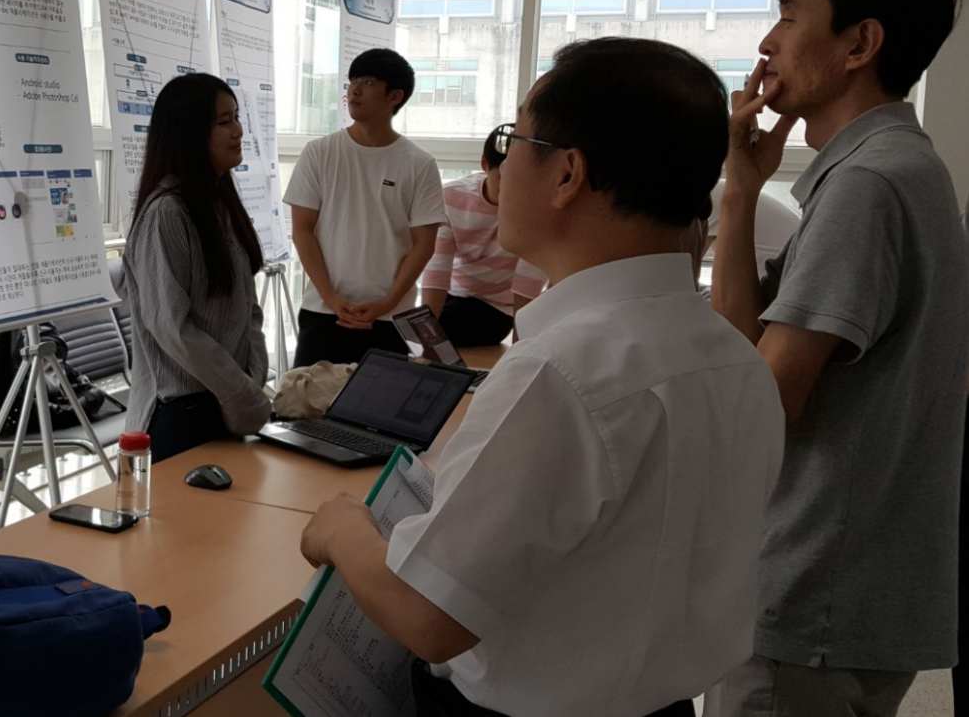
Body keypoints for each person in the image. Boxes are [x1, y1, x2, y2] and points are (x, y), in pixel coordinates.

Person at [300, 37, 785, 717]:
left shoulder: (559, 374)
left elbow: (429, 616)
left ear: (567, 174)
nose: (500, 166)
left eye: (515, 139)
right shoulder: (735, 358)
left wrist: (341, 530)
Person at [707, 0, 969, 717]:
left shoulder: (867, 184)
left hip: (812, 592)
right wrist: (740, 191)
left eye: (790, 16)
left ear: (860, 44)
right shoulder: (901, 165)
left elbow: (763, 397)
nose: (767, 41)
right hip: (853, 591)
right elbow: (751, 350)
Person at [118, 74, 270, 463]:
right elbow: (172, 327)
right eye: (223, 122)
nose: (238, 131)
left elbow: (248, 310)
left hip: (228, 405)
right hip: (182, 414)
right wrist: (241, 392)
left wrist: (251, 383)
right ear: (189, 132)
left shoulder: (221, 206)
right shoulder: (167, 212)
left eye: (237, 118)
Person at [285, 48, 445, 367]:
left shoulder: (420, 163)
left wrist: (388, 301)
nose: (354, 89)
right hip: (323, 311)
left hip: (390, 318)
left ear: (395, 96)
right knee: (306, 399)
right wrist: (331, 297)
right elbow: (302, 231)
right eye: (353, 81)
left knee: (380, 401)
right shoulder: (319, 152)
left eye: (368, 82)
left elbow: (424, 245)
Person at [419, 127, 546, 345]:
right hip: (454, 294)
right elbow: (436, 272)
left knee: (442, 327)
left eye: (524, 180)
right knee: (412, 327)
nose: (513, 189)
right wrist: (423, 339)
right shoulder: (451, 198)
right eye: (504, 178)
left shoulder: (537, 211)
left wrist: (518, 349)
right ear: (485, 165)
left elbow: (527, 287)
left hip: (495, 307)